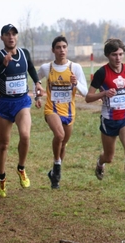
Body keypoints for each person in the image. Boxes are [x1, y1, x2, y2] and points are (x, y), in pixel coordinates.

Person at [0, 24, 44, 197]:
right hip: (5, 103)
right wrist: (2, 66)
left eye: (14, 34)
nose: (11, 37)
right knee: (4, 144)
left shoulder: (25, 53)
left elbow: (31, 68)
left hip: (22, 101)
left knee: (25, 135)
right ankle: (2, 178)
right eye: (7, 34)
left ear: (17, 37)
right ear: (2, 37)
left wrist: (37, 82)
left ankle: (21, 168)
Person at [85, 38, 125, 204]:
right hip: (109, 120)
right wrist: (103, 94)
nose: (118, 58)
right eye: (114, 55)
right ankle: (100, 162)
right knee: (109, 157)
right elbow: (88, 98)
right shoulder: (101, 73)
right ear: (107, 55)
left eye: (121, 54)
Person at [35, 36, 88, 189]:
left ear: (67, 49)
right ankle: (57, 165)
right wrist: (37, 95)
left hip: (69, 111)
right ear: (53, 50)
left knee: (63, 143)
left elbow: (85, 92)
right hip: (51, 109)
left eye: (64, 47)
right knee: (59, 135)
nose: (62, 50)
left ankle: (54, 174)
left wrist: (75, 83)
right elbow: (35, 80)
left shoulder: (75, 68)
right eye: (58, 47)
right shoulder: (47, 68)